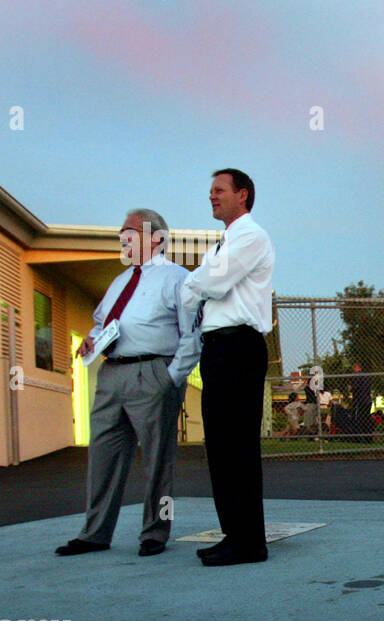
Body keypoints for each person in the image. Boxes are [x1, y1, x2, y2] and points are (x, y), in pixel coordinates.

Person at [57, 209, 201, 557]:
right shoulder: (120, 282)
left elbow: (192, 335)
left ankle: (155, 531)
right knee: (103, 456)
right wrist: (92, 339)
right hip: (112, 373)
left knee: (157, 460)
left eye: (131, 231)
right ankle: (94, 533)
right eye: (121, 232)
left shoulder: (178, 279)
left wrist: (171, 378)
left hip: (152, 373)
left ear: (156, 238)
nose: (123, 237)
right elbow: (100, 322)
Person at [181, 168, 274, 566]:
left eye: (219, 190)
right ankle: (234, 535)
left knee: (237, 446)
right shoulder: (223, 244)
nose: (212, 197)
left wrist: (195, 283)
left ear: (243, 194)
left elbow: (212, 285)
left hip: (239, 346)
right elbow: (197, 290)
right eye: (210, 191)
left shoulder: (252, 236)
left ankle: (250, 542)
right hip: (218, 348)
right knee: (219, 447)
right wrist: (198, 282)